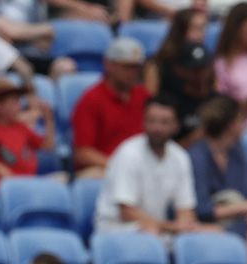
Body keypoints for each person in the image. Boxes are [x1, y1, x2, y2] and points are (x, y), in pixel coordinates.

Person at [95, 96, 202, 237]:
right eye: (151, 121)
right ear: (143, 122)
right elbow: (127, 212)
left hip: (157, 230)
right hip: (117, 230)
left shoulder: (180, 157)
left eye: (164, 122)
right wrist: (171, 227)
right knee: (151, 234)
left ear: (176, 126)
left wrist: (184, 227)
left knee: (211, 234)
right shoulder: (128, 153)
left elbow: (186, 209)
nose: (157, 128)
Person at [72, 37, 150, 177]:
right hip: (105, 169)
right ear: (109, 65)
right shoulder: (92, 99)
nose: (133, 73)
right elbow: (82, 153)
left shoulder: (144, 96)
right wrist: (120, 166)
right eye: (127, 67)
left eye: (136, 67)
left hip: (141, 169)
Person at [189, 95, 247, 238]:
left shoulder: (237, 152)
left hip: (240, 222)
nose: (244, 124)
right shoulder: (197, 156)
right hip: (206, 227)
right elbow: (202, 209)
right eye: (241, 120)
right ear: (231, 125)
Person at [0, 77, 53, 179]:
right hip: (5, 187)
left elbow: (48, 146)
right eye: (14, 101)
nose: (19, 106)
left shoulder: (21, 127)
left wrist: (48, 119)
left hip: (30, 181)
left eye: (18, 100)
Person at [161, 41, 219, 144]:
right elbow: (165, 149)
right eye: (195, 69)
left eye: (204, 68)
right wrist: (197, 136)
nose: (201, 74)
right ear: (179, 70)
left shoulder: (219, 102)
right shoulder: (171, 103)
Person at [145, 7, 208, 95]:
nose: (201, 35)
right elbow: (151, 100)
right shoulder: (158, 64)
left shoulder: (208, 61)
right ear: (180, 31)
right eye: (195, 28)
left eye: (203, 28)